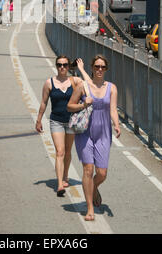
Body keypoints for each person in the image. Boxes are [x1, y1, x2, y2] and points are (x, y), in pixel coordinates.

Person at [67, 55, 120, 221]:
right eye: (96, 66)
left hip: (104, 133)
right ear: (92, 68)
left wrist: (116, 124)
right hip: (85, 133)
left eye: (102, 67)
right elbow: (70, 106)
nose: (99, 70)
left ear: (106, 69)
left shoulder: (111, 88)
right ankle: (90, 208)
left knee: (102, 173)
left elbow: (113, 109)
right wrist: (83, 104)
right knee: (88, 170)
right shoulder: (82, 86)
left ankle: (93, 187)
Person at [36, 56, 82, 196]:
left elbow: (89, 86)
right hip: (56, 121)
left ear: (69, 67)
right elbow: (44, 102)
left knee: (68, 151)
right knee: (60, 151)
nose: (62, 67)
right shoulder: (49, 83)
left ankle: (66, 175)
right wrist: (38, 120)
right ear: (56, 66)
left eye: (65, 65)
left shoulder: (74, 81)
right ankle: (60, 184)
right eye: (59, 65)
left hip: (71, 121)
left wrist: (80, 69)